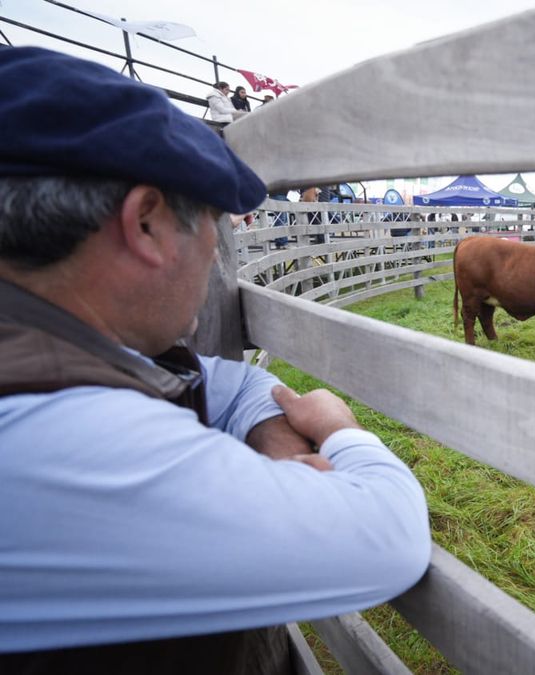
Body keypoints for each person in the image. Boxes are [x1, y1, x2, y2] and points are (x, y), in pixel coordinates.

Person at [0, 47, 430, 672]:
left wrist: (270, 436)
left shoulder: (47, 346)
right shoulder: (64, 439)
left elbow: (224, 382)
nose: (213, 251)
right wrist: (338, 429)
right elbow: (389, 536)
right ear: (145, 223)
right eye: (211, 221)